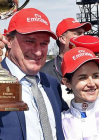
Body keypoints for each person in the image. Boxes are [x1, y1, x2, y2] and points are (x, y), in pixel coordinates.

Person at [0, 8, 68, 140]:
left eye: (43, 43)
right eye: (30, 41)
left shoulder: (51, 84)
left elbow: (72, 115)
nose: (38, 52)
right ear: (9, 40)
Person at [40, 17, 92, 83]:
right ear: (62, 39)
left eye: (83, 33)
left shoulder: (91, 65)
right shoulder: (45, 71)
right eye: (78, 33)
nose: (83, 37)